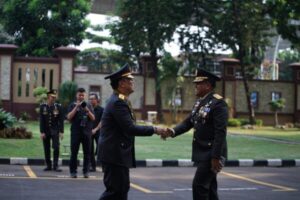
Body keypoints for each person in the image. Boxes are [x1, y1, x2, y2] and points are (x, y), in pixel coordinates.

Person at [98, 63, 166, 200]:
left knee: (121, 190)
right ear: (121, 83)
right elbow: (130, 128)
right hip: (114, 155)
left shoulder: (121, 100)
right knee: (115, 191)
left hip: (116, 154)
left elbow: (128, 125)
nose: (132, 81)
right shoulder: (118, 102)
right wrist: (155, 129)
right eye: (129, 79)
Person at [165, 69, 228, 200]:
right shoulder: (200, 102)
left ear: (208, 85)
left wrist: (216, 157)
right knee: (210, 188)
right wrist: (173, 131)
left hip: (211, 153)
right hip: (203, 152)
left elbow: (220, 132)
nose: (195, 86)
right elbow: (189, 122)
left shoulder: (218, 103)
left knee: (199, 186)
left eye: (198, 83)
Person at [67, 88, 95, 178]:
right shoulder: (72, 105)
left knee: (87, 153)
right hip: (76, 132)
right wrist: (76, 107)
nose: (81, 96)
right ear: (76, 95)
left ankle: (86, 172)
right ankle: (73, 172)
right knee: (74, 153)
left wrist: (86, 109)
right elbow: (69, 117)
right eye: (79, 95)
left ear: (85, 96)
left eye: (83, 95)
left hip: (87, 132)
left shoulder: (89, 105)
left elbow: (93, 118)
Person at [39, 89, 64, 172]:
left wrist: (61, 131)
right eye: (52, 97)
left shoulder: (58, 106)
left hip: (55, 130)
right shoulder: (43, 107)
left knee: (56, 147)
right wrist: (42, 132)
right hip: (46, 130)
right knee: (46, 148)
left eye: (54, 97)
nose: (53, 98)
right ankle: (48, 165)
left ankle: (55, 166)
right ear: (48, 97)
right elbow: (41, 120)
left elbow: (61, 120)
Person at [89, 93, 104, 172]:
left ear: (97, 100)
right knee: (90, 149)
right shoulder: (87, 109)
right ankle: (92, 166)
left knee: (101, 148)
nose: (91, 100)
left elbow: (102, 121)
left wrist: (96, 129)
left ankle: (103, 165)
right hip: (89, 131)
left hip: (99, 131)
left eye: (92, 99)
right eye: (90, 99)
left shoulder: (101, 109)